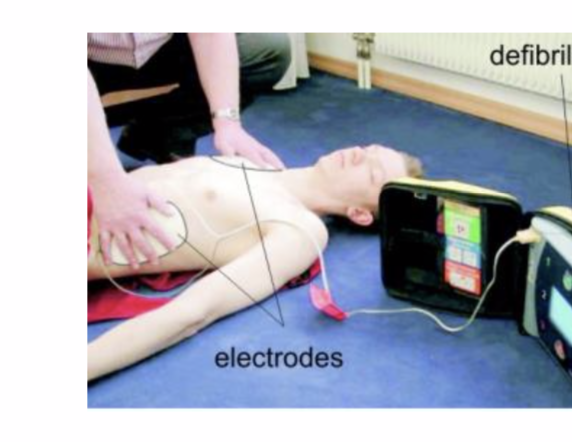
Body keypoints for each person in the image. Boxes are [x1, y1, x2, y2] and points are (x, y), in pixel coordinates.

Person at [87, 145, 424, 381]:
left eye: (371, 171)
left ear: (360, 213)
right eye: (367, 149)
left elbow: (193, 312)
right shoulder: (257, 162)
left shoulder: (300, 229)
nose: (357, 155)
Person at [88, 33, 290, 270]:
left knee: (267, 48)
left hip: (159, 51)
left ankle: (157, 135)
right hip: (93, 60)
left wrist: (228, 123)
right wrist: (105, 181)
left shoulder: (303, 226)